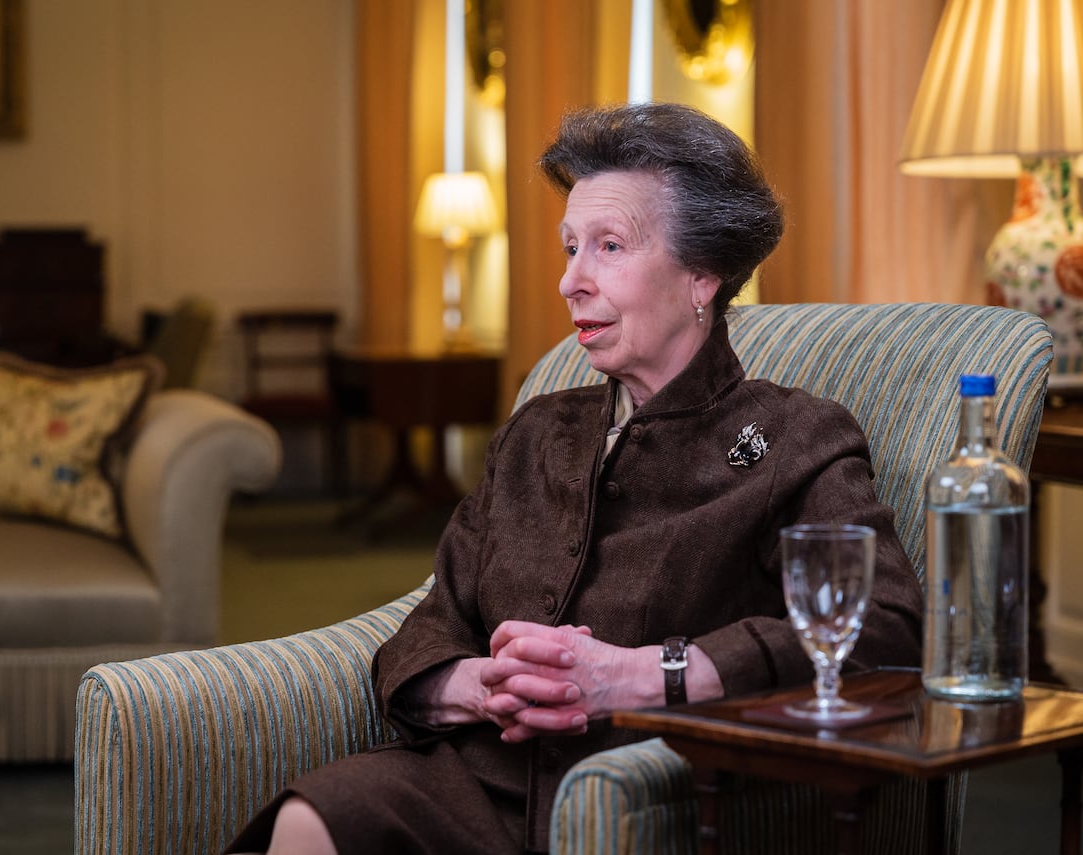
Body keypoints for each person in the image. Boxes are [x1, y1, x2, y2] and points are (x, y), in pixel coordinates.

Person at [226, 102, 923, 855]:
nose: (570, 281)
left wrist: (648, 675)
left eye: (609, 246)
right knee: (312, 819)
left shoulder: (796, 435)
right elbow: (437, 614)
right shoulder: (535, 432)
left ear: (702, 277)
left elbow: (890, 626)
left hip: (648, 793)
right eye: (569, 248)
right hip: (476, 778)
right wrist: (471, 683)